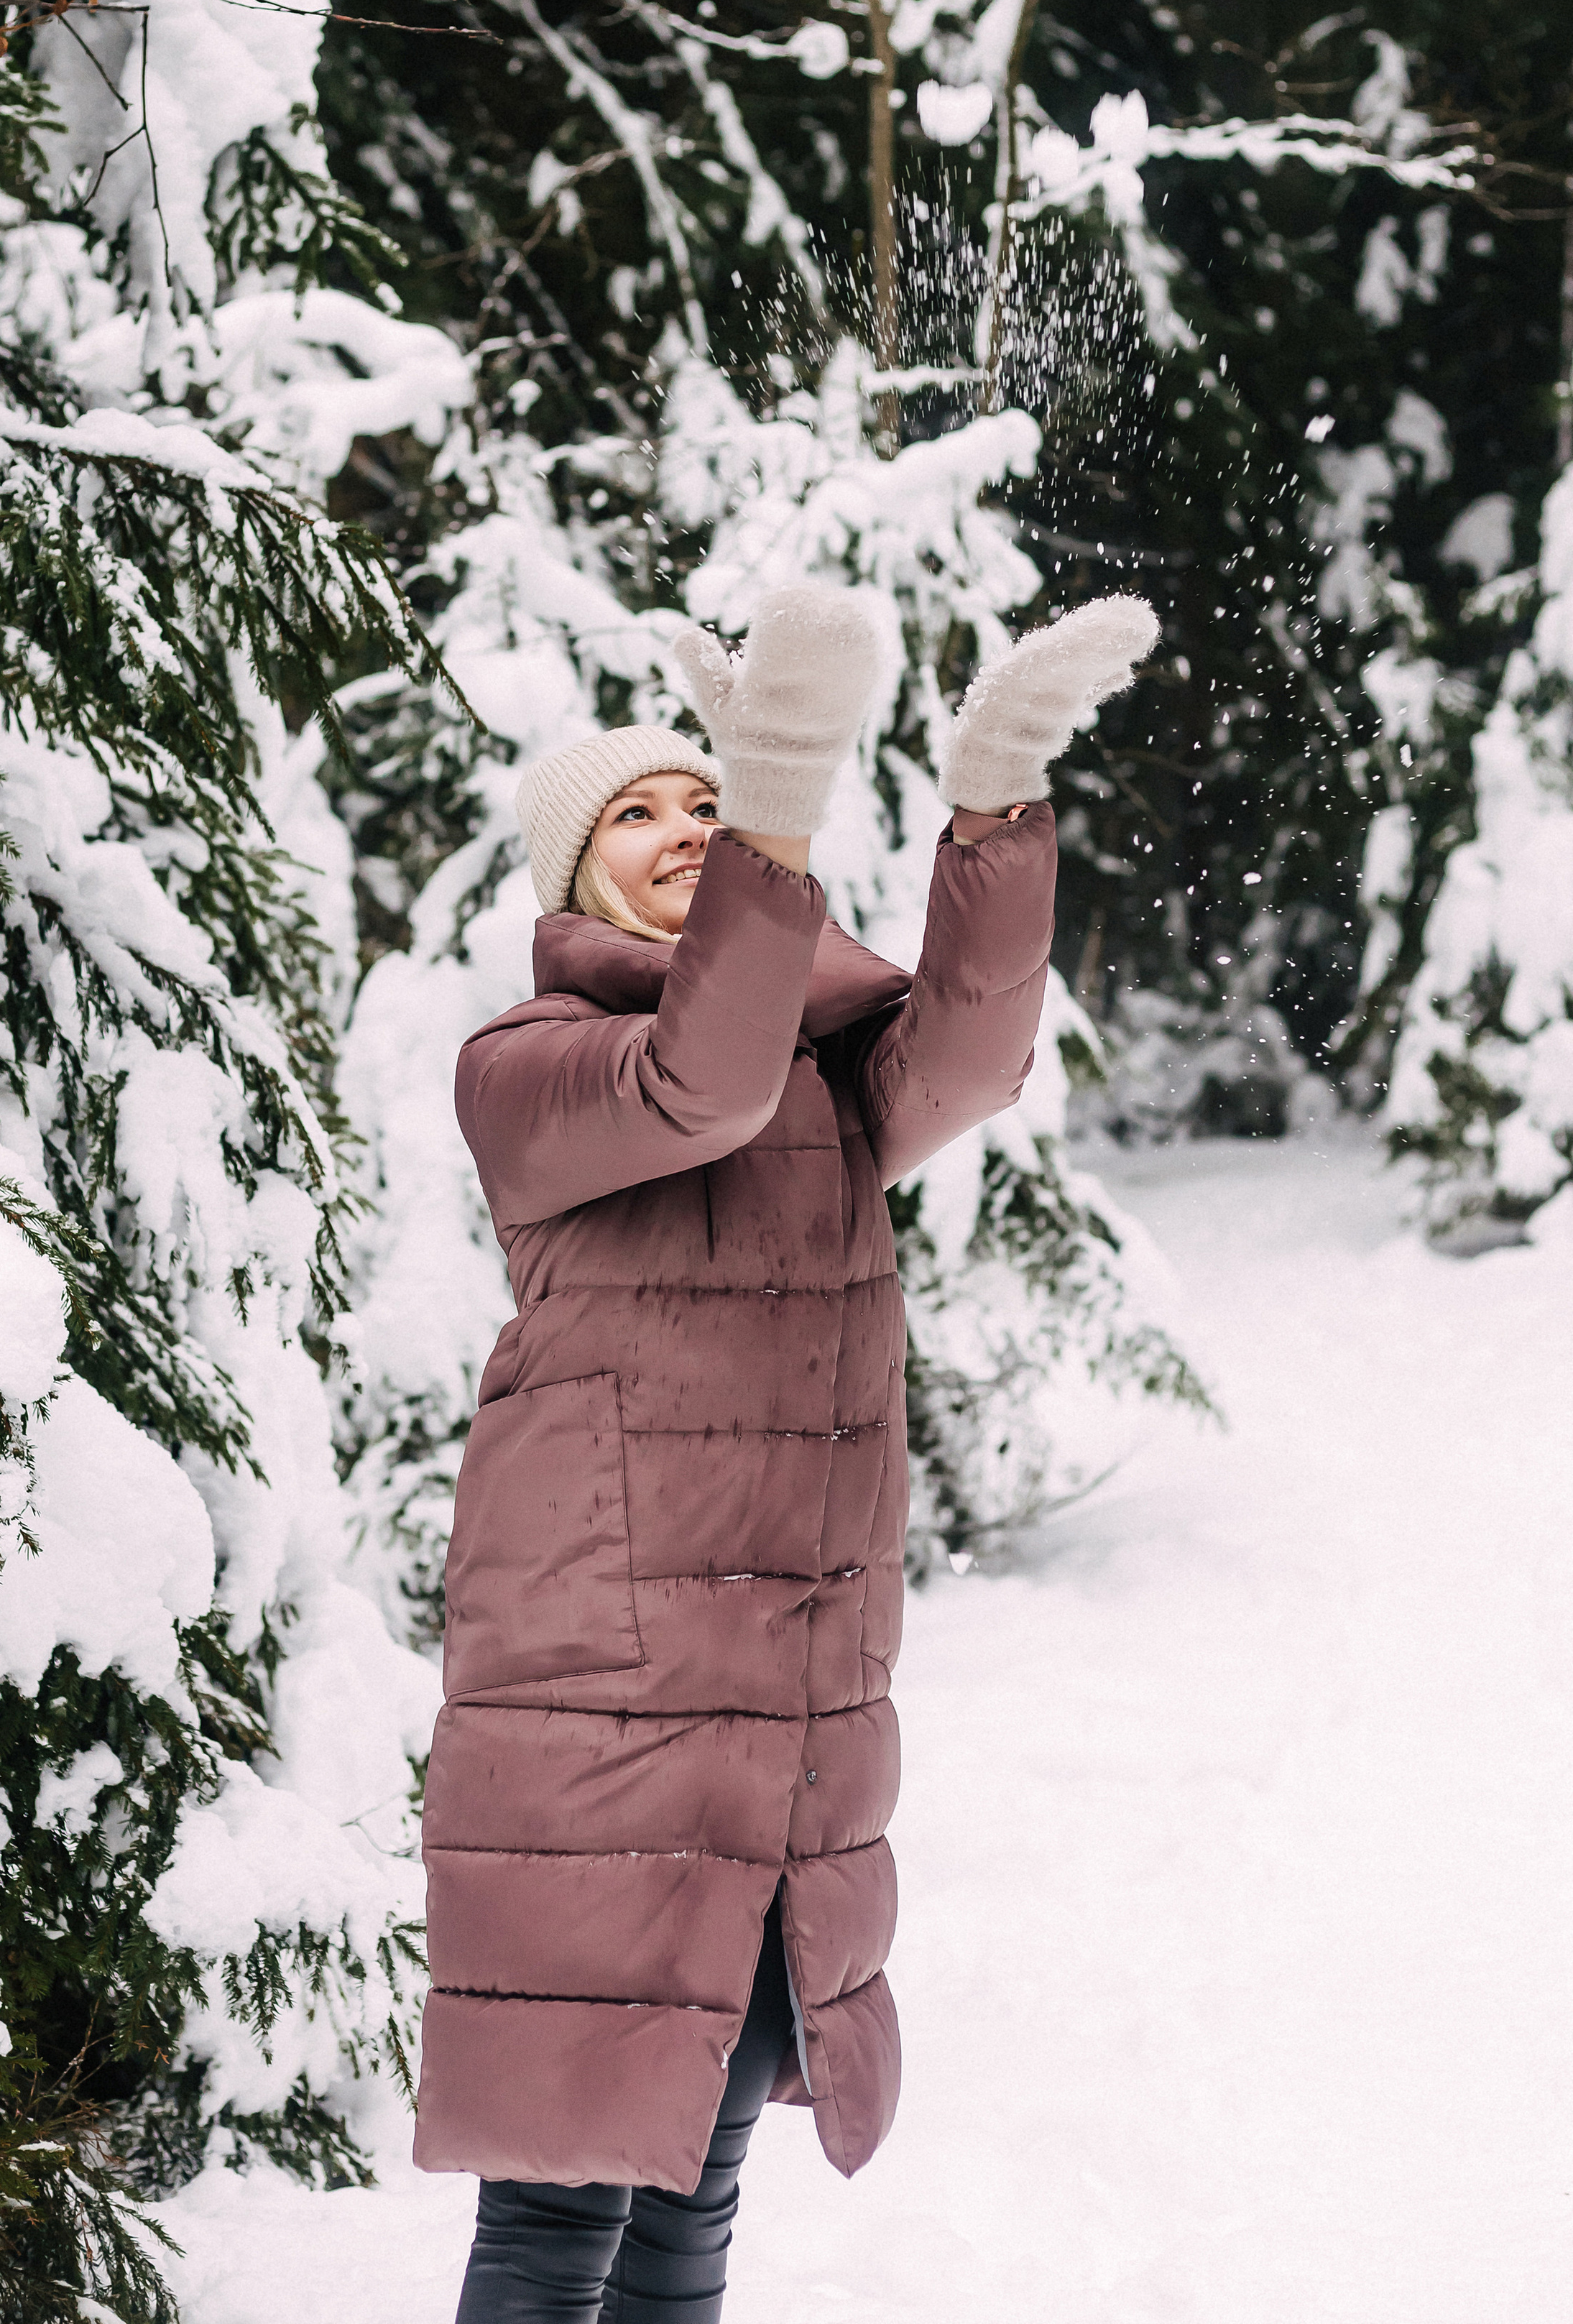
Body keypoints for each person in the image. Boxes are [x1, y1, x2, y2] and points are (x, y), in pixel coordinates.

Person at [416, 587, 1161, 2322]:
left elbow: (967, 1057)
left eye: (702, 800)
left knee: (698, 2185)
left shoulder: (822, 1082)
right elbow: (700, 1083)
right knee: (560, 2207)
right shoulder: (529, 1071)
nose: (681, 829)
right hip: (594, 1732)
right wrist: (768, 813)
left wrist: (995, 801)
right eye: (638, 815)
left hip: (788, 1717)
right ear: (569, 885)